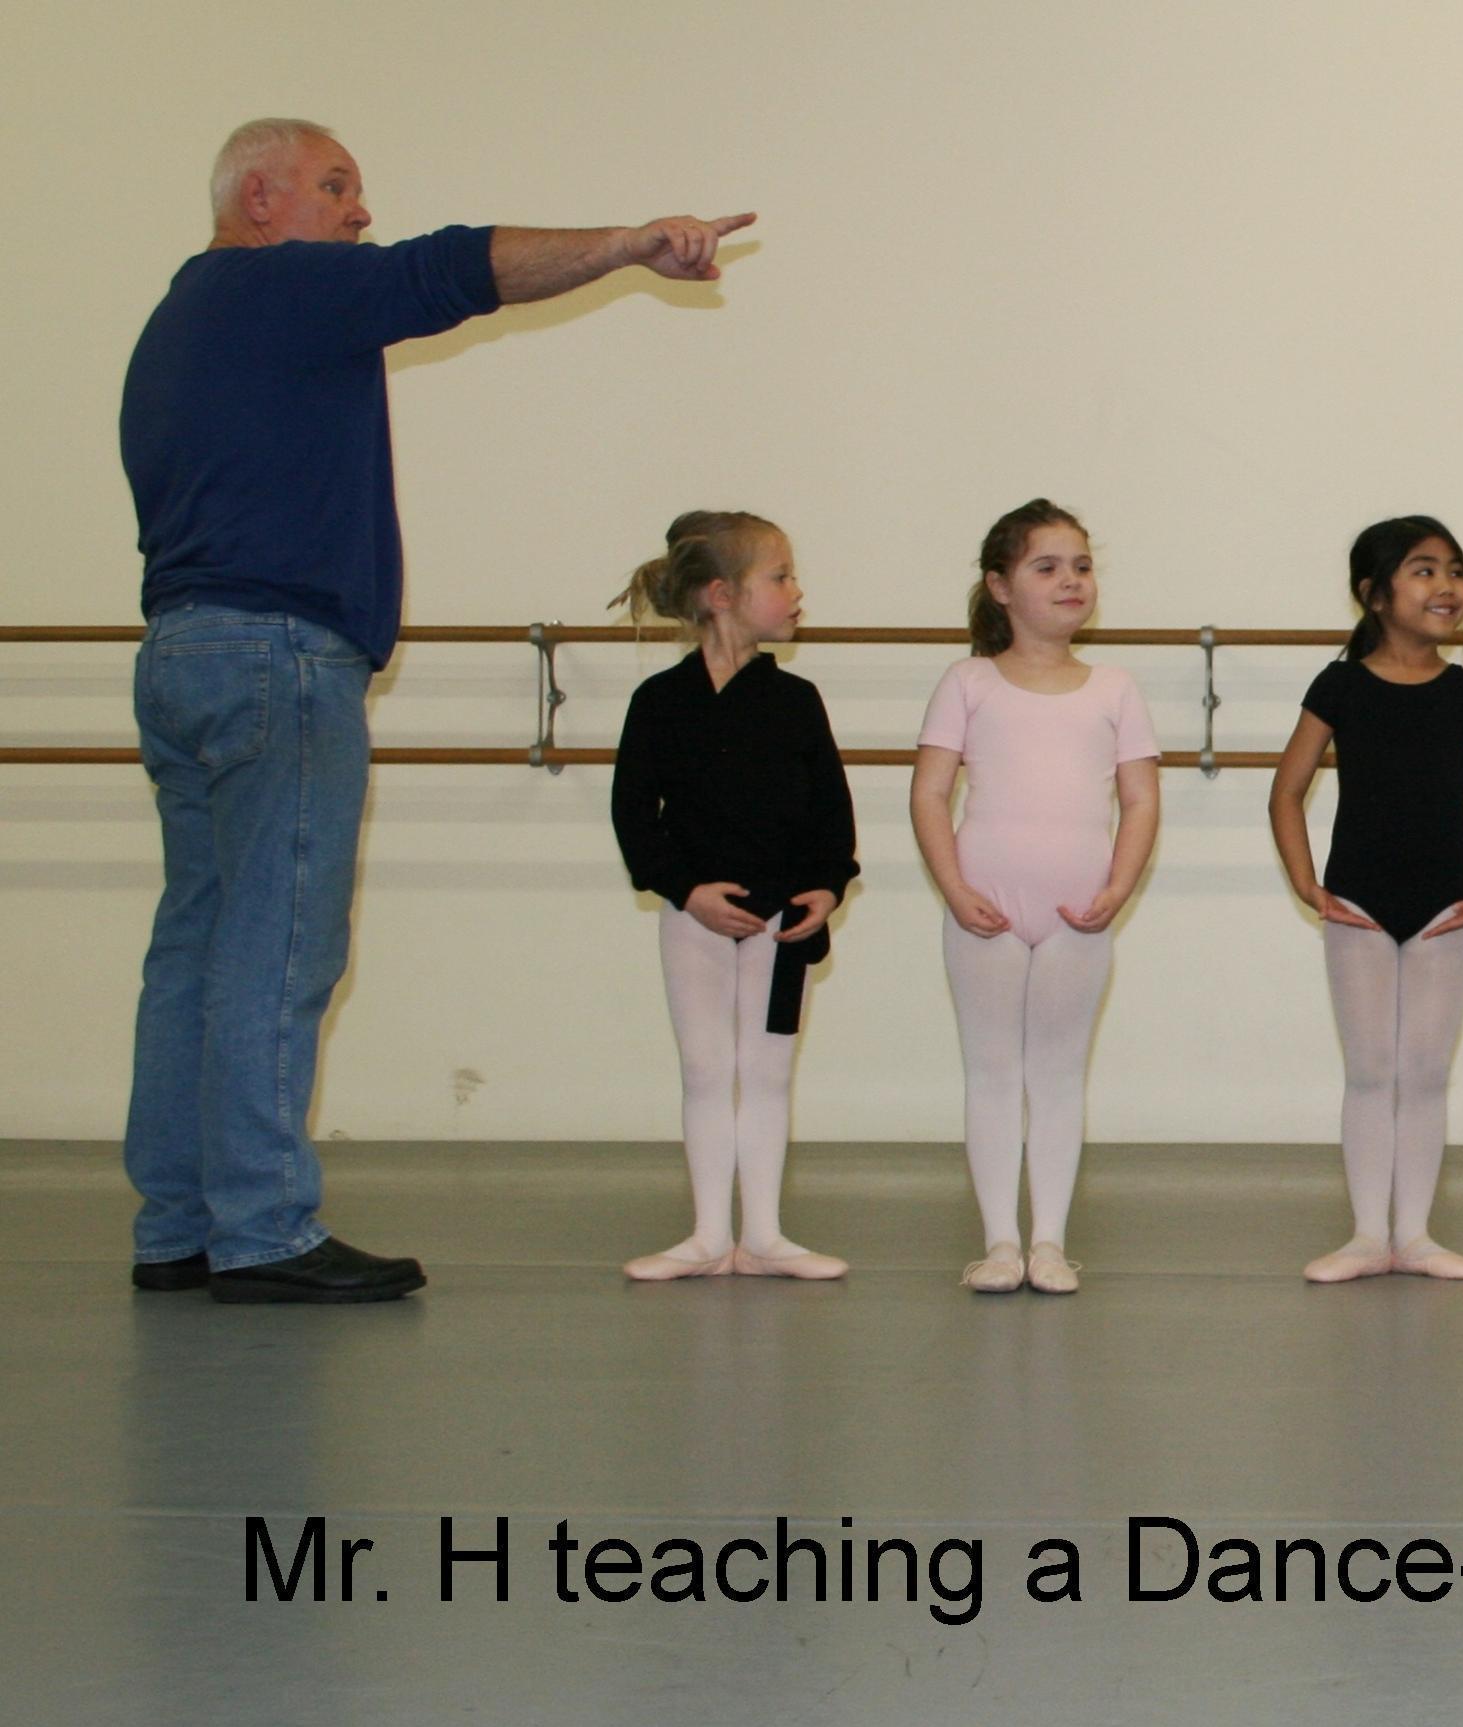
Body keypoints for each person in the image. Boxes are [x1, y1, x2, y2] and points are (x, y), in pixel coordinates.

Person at [119, 117, 754, 1302]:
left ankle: (180, 1223)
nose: (358, 211)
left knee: (197, 944)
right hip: (275, 658)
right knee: (277, 947)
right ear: (260, 198)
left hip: (182, 654)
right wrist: (627, 243)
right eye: (334, 186)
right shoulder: (279, 287)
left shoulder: (177, 324)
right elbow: (455, 268)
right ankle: (260, 1229)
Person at [1269, 517, 1463, 1283]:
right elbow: (1286, 792)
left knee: (1422, 1069)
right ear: (1373, 593)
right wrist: (1308, 884)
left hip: (1441, 907)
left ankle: (1413, 1233)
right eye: (1423, 570)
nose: (1446, 585)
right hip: (1358, 901)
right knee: (1369, 1068)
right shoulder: (1339, 685)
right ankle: (1364, 1234)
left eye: (1454, 569)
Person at [911, 501, 1161, 1295]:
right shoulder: (969, 681)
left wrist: (1116, 888)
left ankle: (1049, 1240)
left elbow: (1142, 799)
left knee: (1057, 1074)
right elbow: (929, 793)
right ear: (999, 587)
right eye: (1046, 566)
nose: (1071, 580)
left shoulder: (1115, 687)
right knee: (990, 1071)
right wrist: (955, 888)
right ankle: (998, 1241)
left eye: (1082, 565)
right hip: (984, 906)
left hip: (1076, 912)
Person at [609, 513, 857, 1282]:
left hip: (781, 922)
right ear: (721, 594)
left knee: (770, 1071)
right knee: (708, 1068)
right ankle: (710, 1233)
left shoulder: (797, 699)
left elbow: (830, 810)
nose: (796, 590)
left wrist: (825, 885)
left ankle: (768, 1233)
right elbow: (631, 812)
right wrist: (686, 890)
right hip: (696, 919)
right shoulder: (659, 701)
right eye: (779, 576)